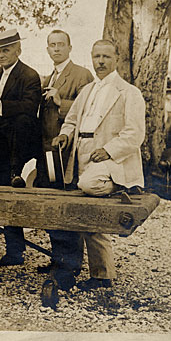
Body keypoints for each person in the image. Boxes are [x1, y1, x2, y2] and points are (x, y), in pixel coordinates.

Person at [52, 39, 145, 290]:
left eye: (105, 57)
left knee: (90, 186)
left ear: (117, 59)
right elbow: (71, 121)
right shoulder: (88, 91)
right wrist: (65, 135)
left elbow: (135, 134)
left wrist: (108, 150)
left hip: (109, 159)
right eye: (96, 57)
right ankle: (100, 275)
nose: (100, 62)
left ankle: (122, 185)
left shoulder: (129, 93)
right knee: (87, 211)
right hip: (80, 153)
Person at [34, 30, 94, 289]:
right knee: (52, 204)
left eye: (61, 45)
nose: (56, 49)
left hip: (69, 154)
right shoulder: (48, 77)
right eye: (52, 45)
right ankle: (58, 258)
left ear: (70, 47)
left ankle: (71, 264)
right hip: (49, 152)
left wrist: (61, 102)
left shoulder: (82, 75)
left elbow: (88, 112)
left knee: (68, 206)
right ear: (47, 49)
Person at [0, 29, 42, 267]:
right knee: (1, 192)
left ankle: (16, 252)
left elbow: (30, 107)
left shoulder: (30, 75)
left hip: (19, 146)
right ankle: (13, 251)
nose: (1, 55)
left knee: (14, 194)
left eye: (6, 50)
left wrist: (2, 105)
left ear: (19, 50)